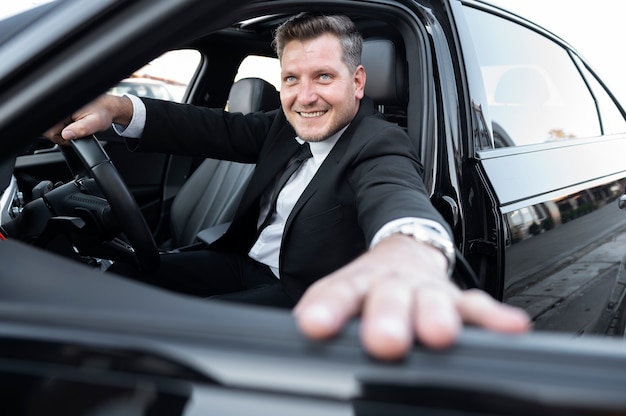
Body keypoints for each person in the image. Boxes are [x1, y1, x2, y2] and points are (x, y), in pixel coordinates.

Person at [45, 13, 529, 361]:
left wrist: (410, 251)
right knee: (122, 281)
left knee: (174, 330)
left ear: (358, 81)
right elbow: (207, 128)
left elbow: (396, 192)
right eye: (291, 78)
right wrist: (120, 109)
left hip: (302, 289)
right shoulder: (284, 123)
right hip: (242, 262)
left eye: (324, 76)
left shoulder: (379, 141)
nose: (306, 96)